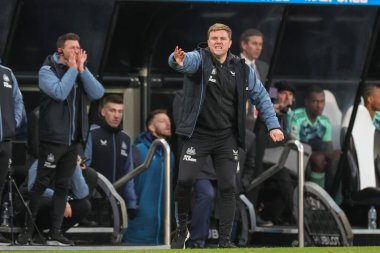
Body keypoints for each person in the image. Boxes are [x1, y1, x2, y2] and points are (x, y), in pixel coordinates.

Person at [168, 23, 284, 248]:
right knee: (184, 181)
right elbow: (182, 63)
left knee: (229, 186)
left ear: (230, 43)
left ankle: (224, 241)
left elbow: (262, 96)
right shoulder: (197, 59)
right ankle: (182, 231)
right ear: (208, 41)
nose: (218, 42)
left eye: (222, 38)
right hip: (198, 135)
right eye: (214, 38)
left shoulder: (242, 68)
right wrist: (176, 61)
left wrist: (273, 126)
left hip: (226, 137)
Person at [16, 32, 104, 246]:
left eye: (78, 47)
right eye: (72, 47)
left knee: (64, 187)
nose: (76, 51)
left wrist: (82, 70)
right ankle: (27, 231)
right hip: (53, 139)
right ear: (60, 51)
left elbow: (98, 93)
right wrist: (74, 69)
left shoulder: (78, 71)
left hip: (72, 141)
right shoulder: (47, 70)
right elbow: (59, 92)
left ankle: (55, 233)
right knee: (40, 184)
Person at [124, 109, 174, 245]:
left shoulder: (169, 154)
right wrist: (132, 205)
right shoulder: (137, 150)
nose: (168, 124)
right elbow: (128, 182)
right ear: (151, 127)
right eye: (162, 121)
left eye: (168, 121)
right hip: (138, 226)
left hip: (163, 229)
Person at [84, 95, 137, 219]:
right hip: (92, 203)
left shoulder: (125, 138)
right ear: (102, 112)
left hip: (116, 203)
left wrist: (131, 204)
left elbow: (129, 173)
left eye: (120, 111)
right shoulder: (91, 134)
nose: (117, 115)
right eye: (112, 110)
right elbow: (83, 169)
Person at [18, 159, 92, 245]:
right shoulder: (42, 161)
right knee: (47, 202)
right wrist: (61, 200)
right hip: (29, 206)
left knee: (84, 206)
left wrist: (75, 167)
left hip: (56, 203)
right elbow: (33, 188)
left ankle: (54, 234)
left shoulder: (68, 162)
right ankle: (34, 233)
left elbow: (82, 193)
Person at [287, 86, 340, 191]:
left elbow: (327, 145)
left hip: (318, 150)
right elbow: (295, 144)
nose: (319, 106)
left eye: (322, 101)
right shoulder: (297, 117)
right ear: (306, 102)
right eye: (315, 101)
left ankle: (335, 200)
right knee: (319, 159)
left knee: (339, 158)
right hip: (297, 152)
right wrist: (324, 154)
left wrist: (333, 155)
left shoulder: (325, 121)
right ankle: (316, 197)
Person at [0, 63, 25, 245]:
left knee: (0, 186)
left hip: (5, 140)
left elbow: (18, 101)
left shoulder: (7, 72)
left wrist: (12, 124)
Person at [240, 28, 269, 130]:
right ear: (244, 45)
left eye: (260, 44)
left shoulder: (264, 67)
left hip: (260, 120)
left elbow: (270, 86)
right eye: (255, 44)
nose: (258, 48)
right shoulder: (232, 64)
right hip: (240, 119)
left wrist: (274, 101)